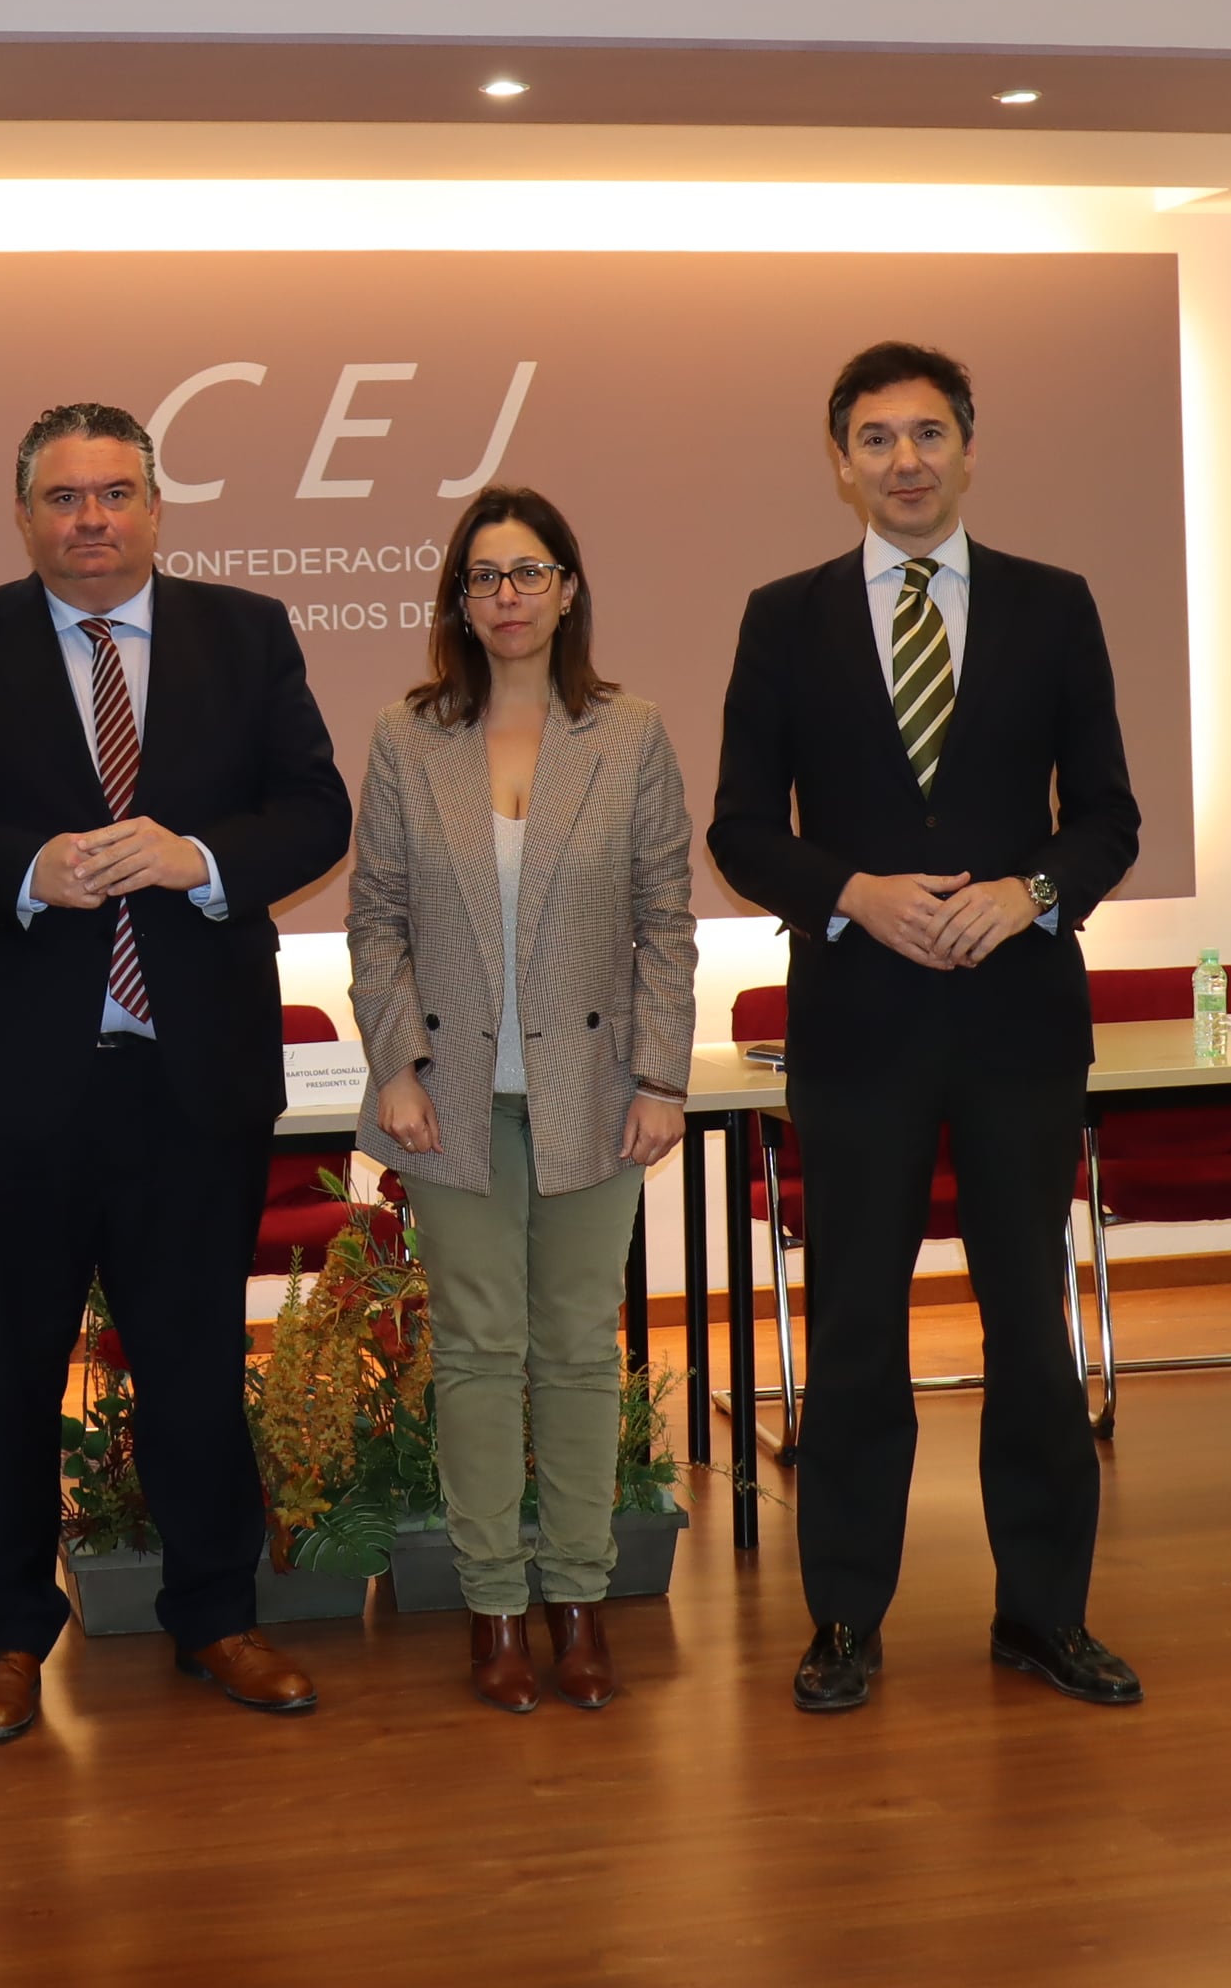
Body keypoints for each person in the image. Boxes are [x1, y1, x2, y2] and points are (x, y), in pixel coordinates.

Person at [0, 401, 353, 1744]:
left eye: (115, 494)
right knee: (5, 1370)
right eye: (65, 498)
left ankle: (217, 1614)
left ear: (156, 508)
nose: (92, 519)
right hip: (7, 1084)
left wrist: (197, 859)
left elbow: (316, 807)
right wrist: (31, 871)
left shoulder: (243, 637)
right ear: (25, 517)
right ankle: (8, 1636)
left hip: (189, 1077)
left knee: (195, 1359)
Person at [710, 339, 1144, 1717]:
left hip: (1019, 1022)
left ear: (970, 446)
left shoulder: (1055, 605)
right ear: (841, 463)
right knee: (852, 1332)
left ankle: (1044, 1615)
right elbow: (738, 828)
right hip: (860, 1025)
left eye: (929, 435)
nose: (906, 461)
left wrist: (1034, 894)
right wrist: (852, 893)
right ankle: (845, 1616)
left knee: (1032, 1324)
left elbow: (1111, 819)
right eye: (878, 440)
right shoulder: (783, 618)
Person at [348, 487, 696, 1712]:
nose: (507, 595)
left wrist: (663, 1075)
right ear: (458, 600)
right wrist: (391, 1062)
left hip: (595, 1097)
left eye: (528, 572)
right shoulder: (406, 736)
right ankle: (496, 1609)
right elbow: (375, 915)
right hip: (446, 1103)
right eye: (485, 576)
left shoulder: (629, 732)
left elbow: (668, 920)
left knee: (578, 1358)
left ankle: (582, 1600)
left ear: (568, 590)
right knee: (480, 1358)